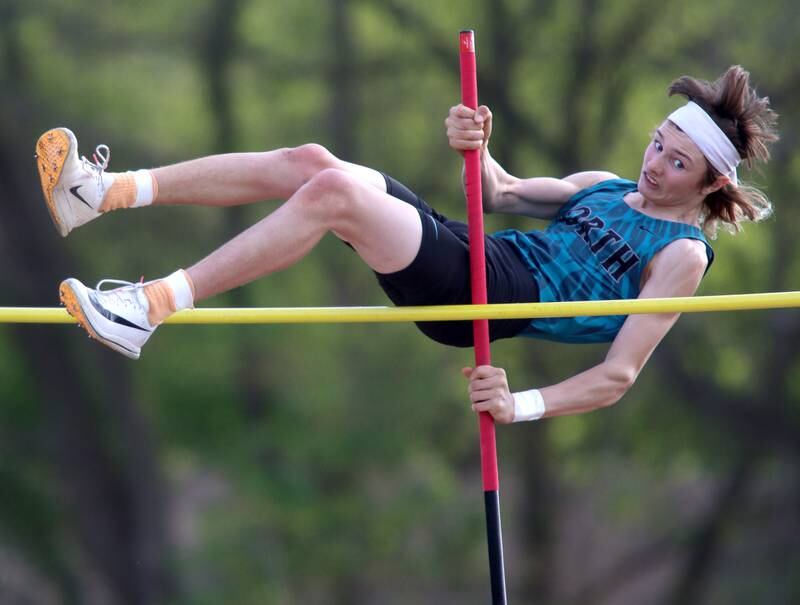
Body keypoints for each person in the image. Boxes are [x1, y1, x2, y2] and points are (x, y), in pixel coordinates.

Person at [35, 65, 777, 423]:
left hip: (487, 297)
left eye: (676, 163)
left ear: (711, 183)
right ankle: (101, 193)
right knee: (314, 163)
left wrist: (520, 404)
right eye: (657, 143)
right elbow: (500, 191)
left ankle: (150, 306)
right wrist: (475, 142)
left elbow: (619, 375)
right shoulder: (607, 185)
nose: (654, 164)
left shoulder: (682, 256)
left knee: (331, 197)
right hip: (475, 254)